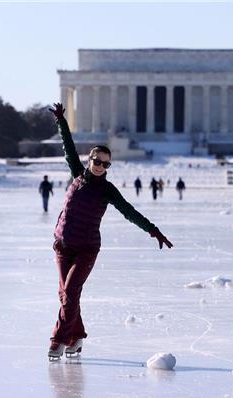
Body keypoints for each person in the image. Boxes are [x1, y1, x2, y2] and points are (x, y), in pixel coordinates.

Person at [46, 103, 172, 361]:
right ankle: (78, 336)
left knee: (69, 294)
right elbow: (69, 147)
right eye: (98, 161)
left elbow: (129, 211)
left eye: (106, 164)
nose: (101, 166)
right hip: (62, 244)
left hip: (86, 249)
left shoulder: (107, 190)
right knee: (66, 295)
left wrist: (153, 230)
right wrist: (61, 121)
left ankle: (59, 339)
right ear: (90, 160)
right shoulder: (76, 174)